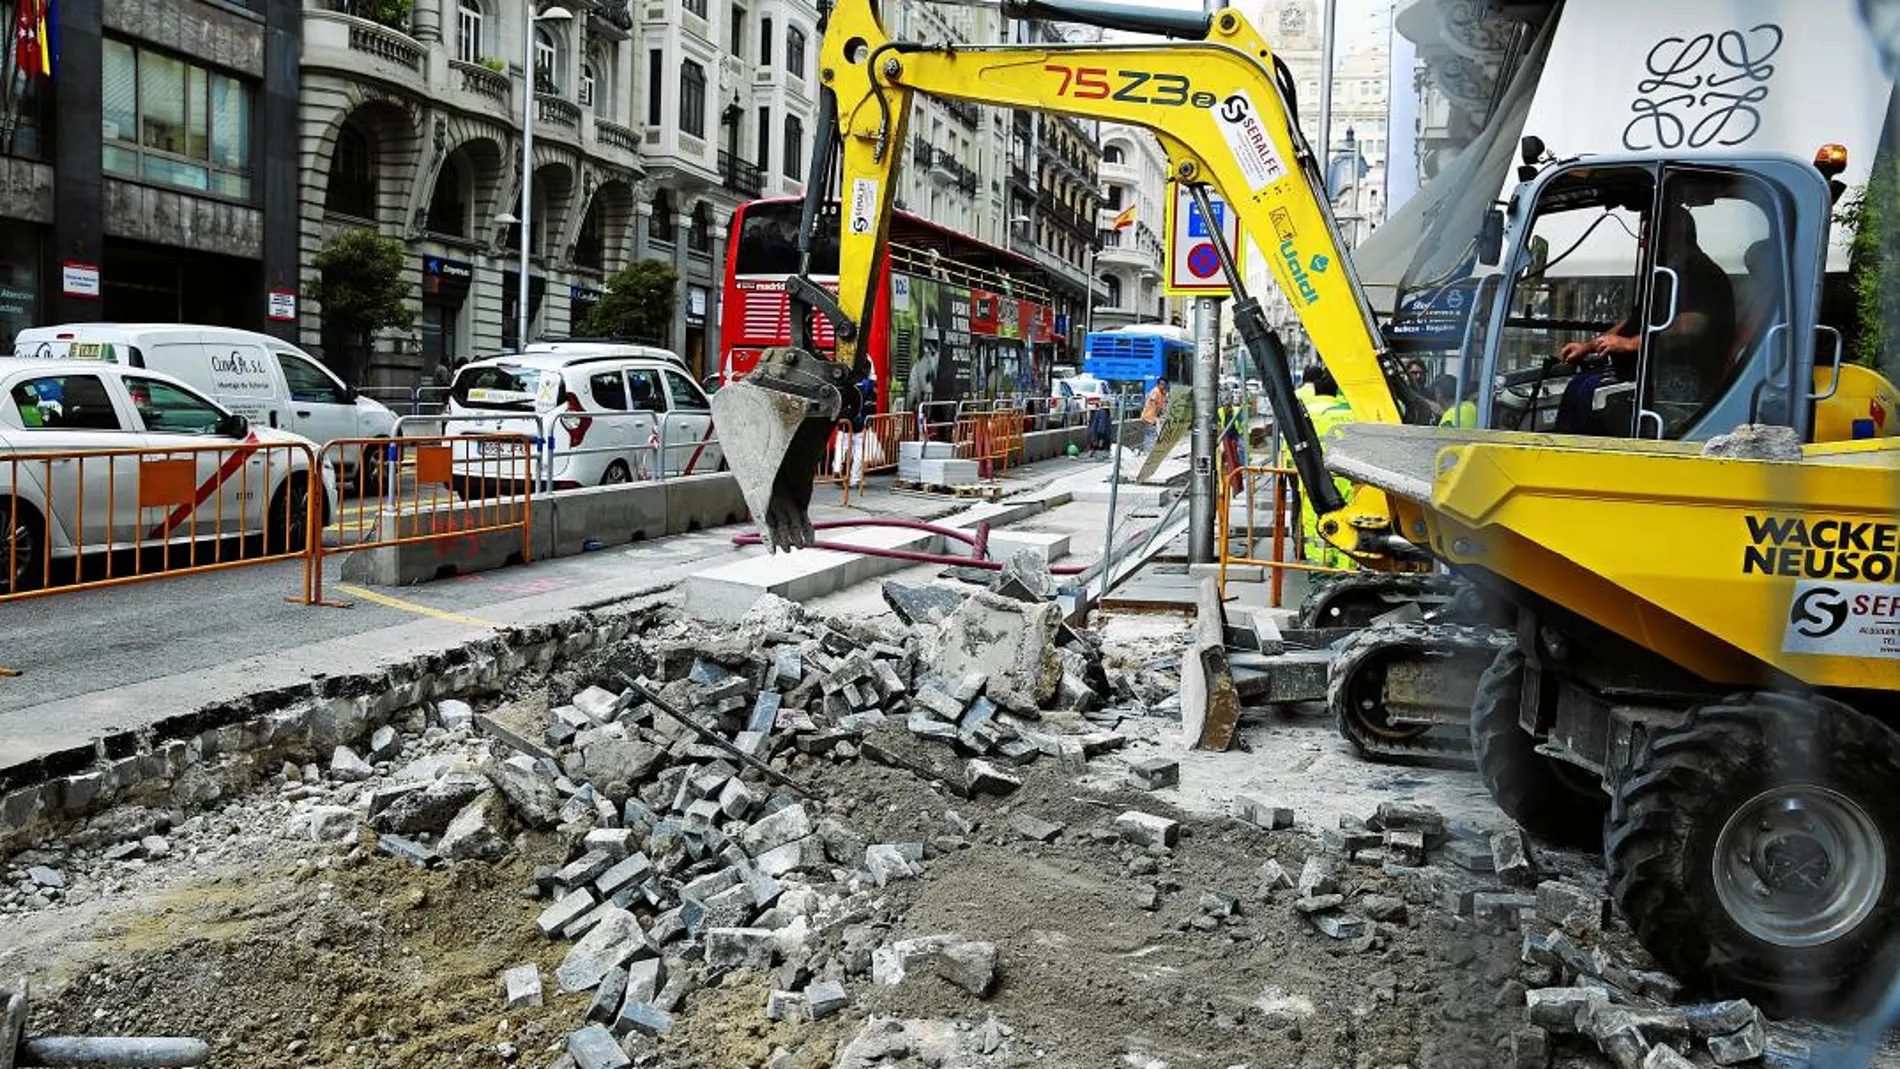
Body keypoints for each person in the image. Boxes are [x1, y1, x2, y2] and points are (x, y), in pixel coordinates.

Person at [1553, 202, 1736, 435]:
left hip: (1681, 375)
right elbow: (1633, 320)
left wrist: (1630, 344)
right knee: (1579, 387)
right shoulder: (1664, 275)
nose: (1642, 243)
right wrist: (1589, 346)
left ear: (1675, 234)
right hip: (1650, 370)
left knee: (1589, 394)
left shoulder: (1698, 271)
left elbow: (1691, 325)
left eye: (1648, 235)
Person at [1139, 378, 1168, 452]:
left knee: (1152, 434)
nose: (1163, 386)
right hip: (1149, 417)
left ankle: (1148, 450)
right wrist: (1155, 417)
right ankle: (1148, 451)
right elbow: (1153, 405)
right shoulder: (1155, 392)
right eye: (1161, 384)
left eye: (1164, 385)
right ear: (1158, 384)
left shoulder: (1162, 393)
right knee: (1150, 434)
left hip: (1153, 417)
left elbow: (1162, 405)